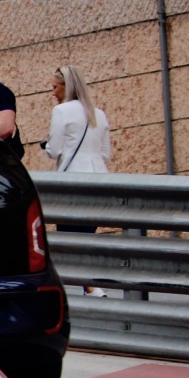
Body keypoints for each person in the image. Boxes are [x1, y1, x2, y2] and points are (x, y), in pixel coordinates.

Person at [43, 64, 111, 296]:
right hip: (98, 182)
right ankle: (90, 286)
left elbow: (54, 150)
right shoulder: (99, 114)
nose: (53, 93)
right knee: (86, 237)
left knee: (67, 239)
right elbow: (104, 153)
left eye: (54, 87)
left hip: (71, 182)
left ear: (65, 86)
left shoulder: (61, 111)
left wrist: (47, 146)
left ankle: (87, 286)